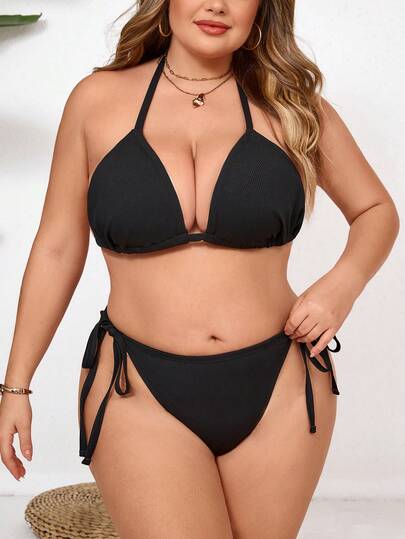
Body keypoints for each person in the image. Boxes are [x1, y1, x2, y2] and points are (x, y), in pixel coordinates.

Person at [0, 1, 399, 537]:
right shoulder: (96, 101)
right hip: (137, 387)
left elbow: (376, 211)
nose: (216, 4)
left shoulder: (292, 104)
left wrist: (341, 286)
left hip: (280, 385)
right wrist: (16, 386)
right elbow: (57, 247)